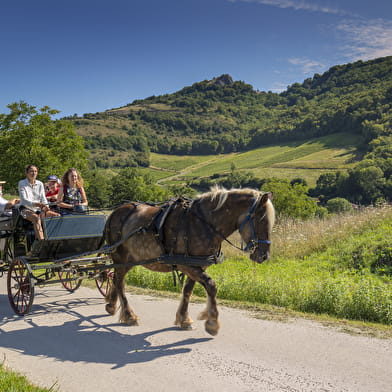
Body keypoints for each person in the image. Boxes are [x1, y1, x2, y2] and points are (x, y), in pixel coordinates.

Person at [18, 165, 60, 240]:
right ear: (26, 173)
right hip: (25, 209)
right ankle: (42, 242)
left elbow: (43, 198)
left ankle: (55, 239)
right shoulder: (22, 183)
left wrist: (46, 206)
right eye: (31, 171)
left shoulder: (40, 184)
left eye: (35, 171)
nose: (33, 173)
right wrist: (36, 204)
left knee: (57, 215)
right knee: (36, 218)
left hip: (38, 210)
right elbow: (24, 200)